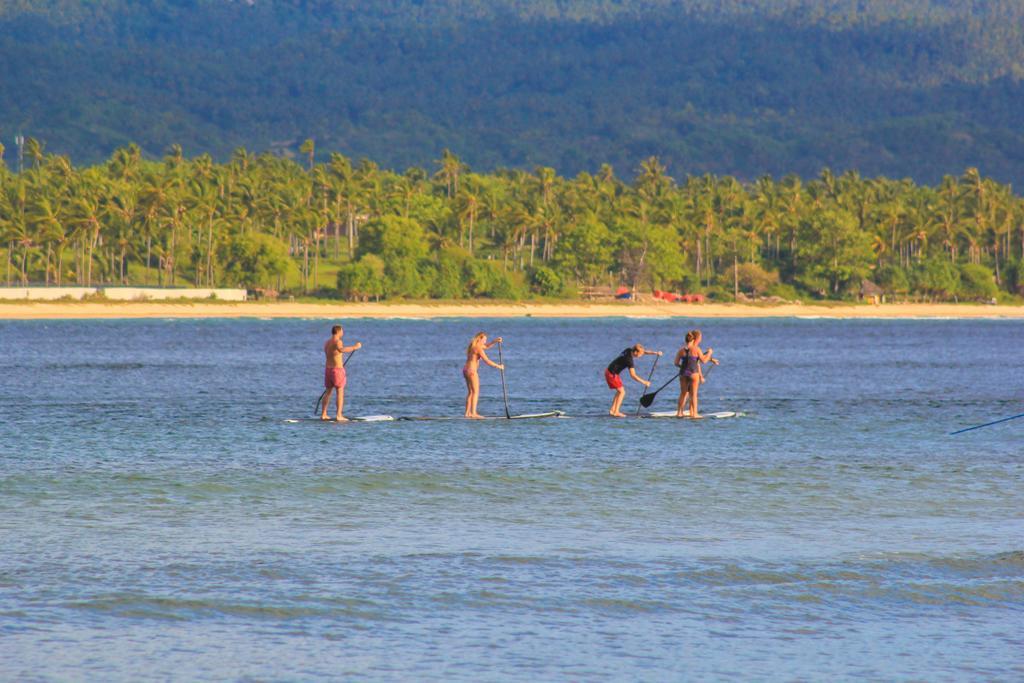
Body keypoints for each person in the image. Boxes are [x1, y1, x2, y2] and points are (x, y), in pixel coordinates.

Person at [605, 344, 662, 417]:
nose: (641, 356)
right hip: (611, 374)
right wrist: (644, 382)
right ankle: (616, 412)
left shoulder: (628, 350)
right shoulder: (629, 360)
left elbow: (644, 352)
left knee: (619, 391)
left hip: (611, 372)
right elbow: (633, 375)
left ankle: (612, 410)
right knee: (622, 392)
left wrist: (655, 353)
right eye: (640, 354)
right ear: (635, 352)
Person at [322, 324, 362, 421]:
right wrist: (355, 347)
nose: (343, 333)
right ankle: (339, 415)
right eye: (342, 331)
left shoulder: (327, 342)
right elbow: (342, 350)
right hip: (337, 370)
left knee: (328, 392)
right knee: (340, 392)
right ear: (339, 331)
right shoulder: (338, 341)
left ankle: (324, 414)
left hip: (328, 370)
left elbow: (334, 353)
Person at [675, 329, 717, 418]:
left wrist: (683, 367)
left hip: (683, 373)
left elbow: (676, 363)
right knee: (693, 395)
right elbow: (704, 360)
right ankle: (694, 414)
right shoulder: (696, 349)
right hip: (693, 374)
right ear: (693, 339)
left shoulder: (681, 350)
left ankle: (679, 413)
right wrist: (709, 353)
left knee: (683, 393)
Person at [463, 332, 504, 419]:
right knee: (475, 392)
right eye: (484, 340)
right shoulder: (478, 348)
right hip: (472, 371)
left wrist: (495, 341)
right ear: (480, 339)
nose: (485, 342)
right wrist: (498, 366)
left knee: (470, 392)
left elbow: (486, 347)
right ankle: (473, 413)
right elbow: (487, 360)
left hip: (465, 370)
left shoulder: (473, 346)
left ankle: (467, 413)